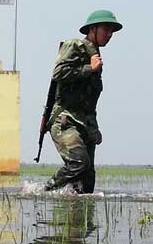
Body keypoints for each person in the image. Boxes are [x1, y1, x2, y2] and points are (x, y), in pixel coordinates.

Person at [44, 10, 122, 193]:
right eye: (106, 29)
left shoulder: (96, 54)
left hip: (85, 123)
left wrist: (94, 129)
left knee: (87, 181)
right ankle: (45, 192)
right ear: (92, 29)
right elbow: (58, 74)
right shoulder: (75, 45)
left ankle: (78, 216)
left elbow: (89, 102)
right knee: (78, 162)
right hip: (65, 119)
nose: (109, 34)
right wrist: (89, 68)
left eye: (112, 31)